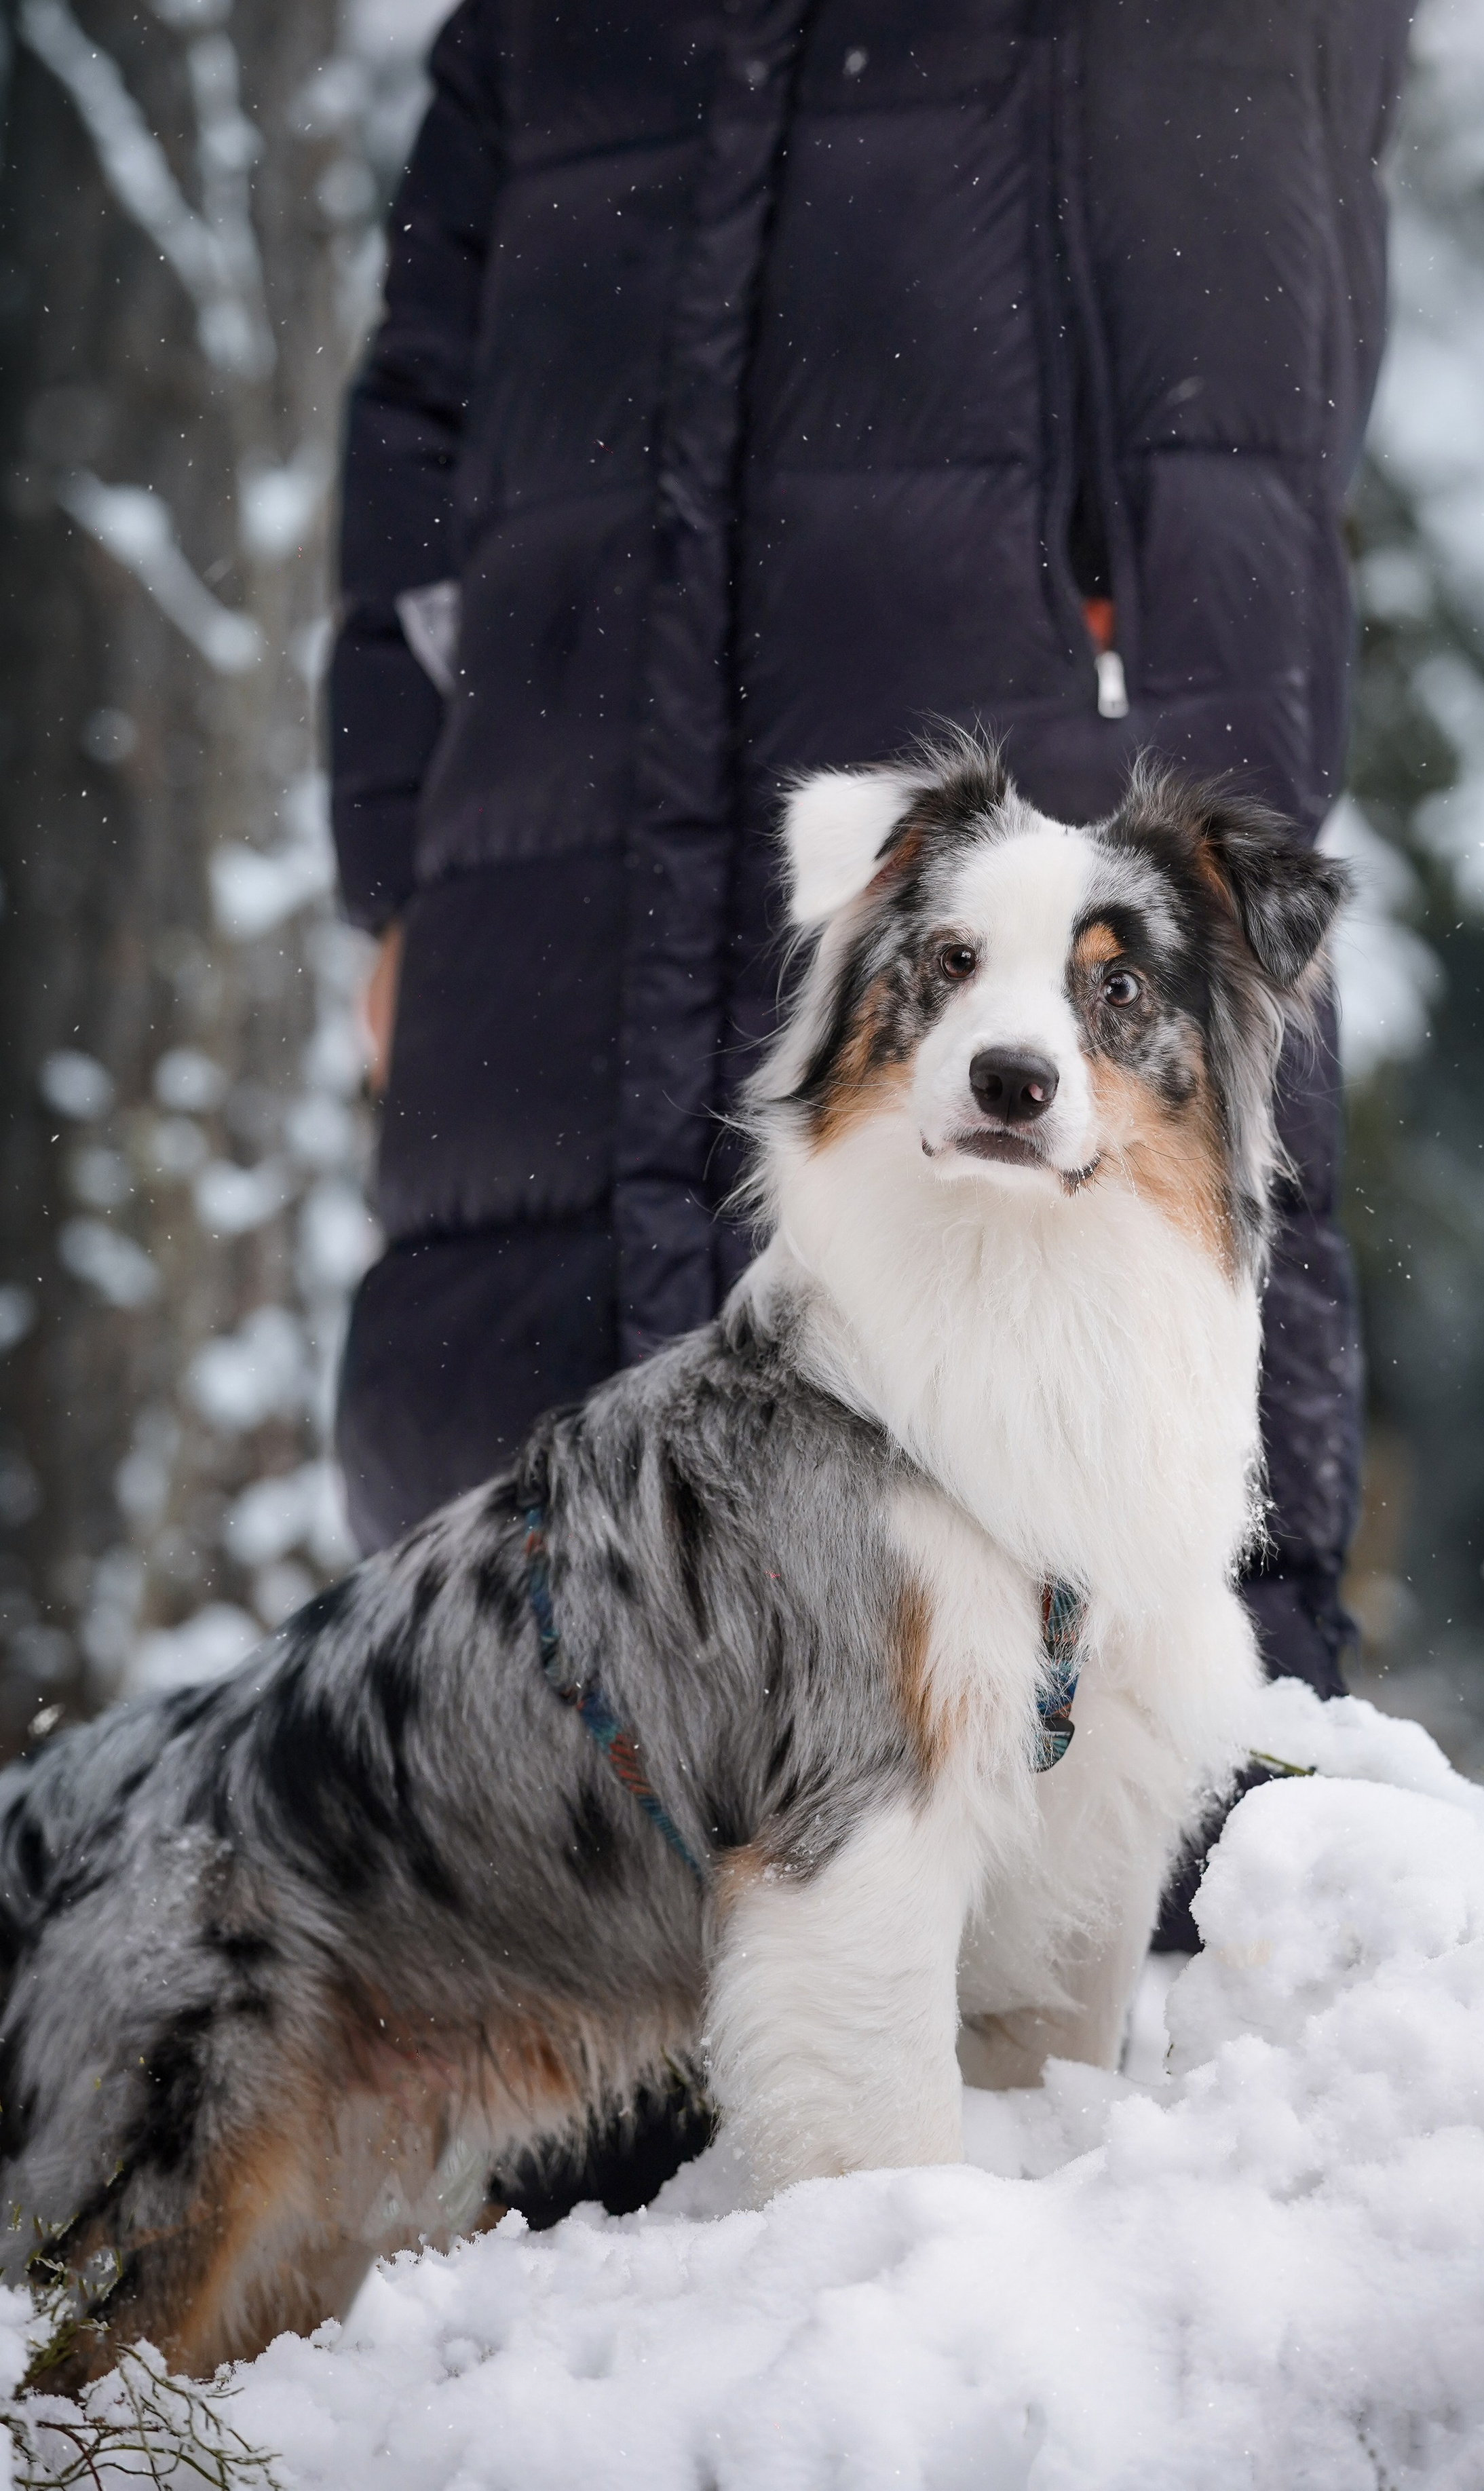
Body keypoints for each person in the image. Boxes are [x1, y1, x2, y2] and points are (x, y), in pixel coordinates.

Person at [329, 0, 1410, 2184]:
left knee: (1089, 1956)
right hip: (550, 836)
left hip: (1011, 701)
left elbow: (1273, 309)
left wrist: (1140, 624)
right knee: (544, 1883)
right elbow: (427, 401)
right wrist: (398, 840)